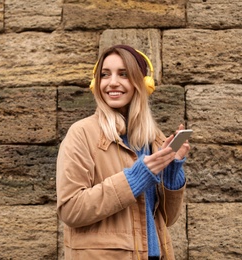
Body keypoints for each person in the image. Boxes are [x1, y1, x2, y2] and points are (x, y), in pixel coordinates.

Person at [56, 45, 190, 260]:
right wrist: (136, 177)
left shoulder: (154, 137)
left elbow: (168, 219)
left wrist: (172, 169)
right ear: (96, 84)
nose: (112, 82)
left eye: (124, 74)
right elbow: (71, 210)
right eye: (105, 75)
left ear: (142, 83)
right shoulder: (81, 133)